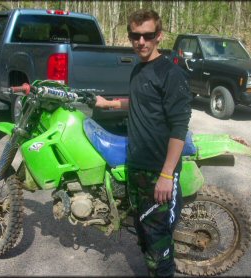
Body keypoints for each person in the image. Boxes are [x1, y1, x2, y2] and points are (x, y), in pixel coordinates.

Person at [95, 9, 192, 277]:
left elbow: (179, 128)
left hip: (157, 170)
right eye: (135, 36)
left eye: (148, 35)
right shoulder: (139, 69)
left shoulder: (170, 74)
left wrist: (166, 174)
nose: (141, 42)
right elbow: (141, 103)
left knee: (159, 244)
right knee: (144, 233)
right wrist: (111, 103)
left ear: (159, 36)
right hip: (136, 166)